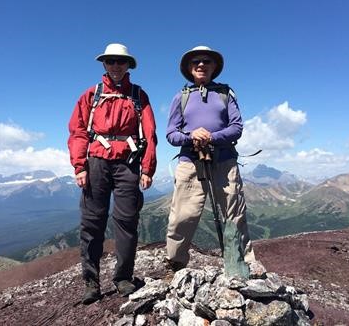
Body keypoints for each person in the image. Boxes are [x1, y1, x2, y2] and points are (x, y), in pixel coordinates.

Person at [68, 43, 157, 304]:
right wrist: (79, 166)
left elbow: (149, 133)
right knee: (92, 222)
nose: (116, 66)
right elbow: (78, 131)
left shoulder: (139, 95)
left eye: (120, 61)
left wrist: (147, 168)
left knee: (127, 221)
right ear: (104, 65)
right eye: (110, 61)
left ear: (128, 65)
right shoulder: (91, 95)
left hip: (128, 163)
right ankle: (91, 283)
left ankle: (123, 278)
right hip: (96, 162)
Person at [165, 45, 255, 278]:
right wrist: (191, 136)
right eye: (196, 62)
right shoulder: (181, 97)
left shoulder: (225, 94)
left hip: (224, 160)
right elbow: (171, 134)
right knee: (182, 215)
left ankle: (241, 265)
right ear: (189, 68)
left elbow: (237, 128)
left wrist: (212, 137)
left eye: (206, 61)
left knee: (233, 212)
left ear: (214, 67)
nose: (201, 65)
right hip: (190, 161)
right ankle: (175, 263)